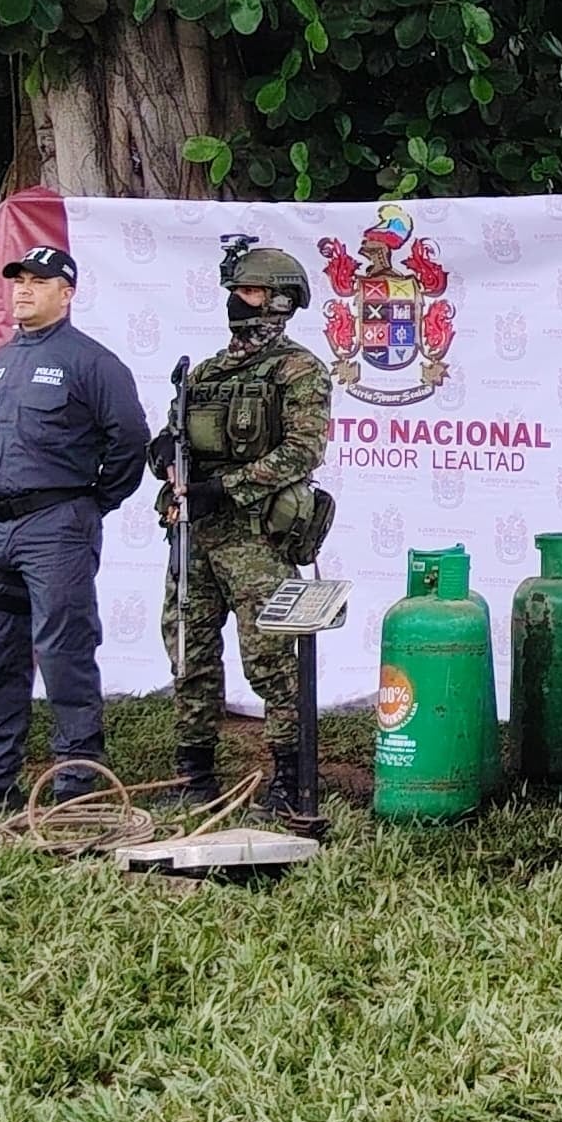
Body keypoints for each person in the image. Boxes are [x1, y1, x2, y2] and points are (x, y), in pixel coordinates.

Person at [0, 240, 150, 809]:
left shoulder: (91, 362)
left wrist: (92, 504)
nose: (22, 289)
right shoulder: (1, 363)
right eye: (17, 280)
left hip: (56, 526)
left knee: (64, 650)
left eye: (39, 282)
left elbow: (130, 441)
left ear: (66, 295)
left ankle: (76, 775)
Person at [167, 235, 335, 801]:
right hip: (195, 536)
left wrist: (227, 488)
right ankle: (193, 774)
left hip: (257, 538)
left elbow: (304, 452)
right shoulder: (207, 371)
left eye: (251, 290)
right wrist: (163, 456)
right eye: (235, 290)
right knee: (188, 652)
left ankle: (290, 776)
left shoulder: (298, 370)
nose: (237, 300)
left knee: (269, 659)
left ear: (280, 301)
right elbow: (177, 438)